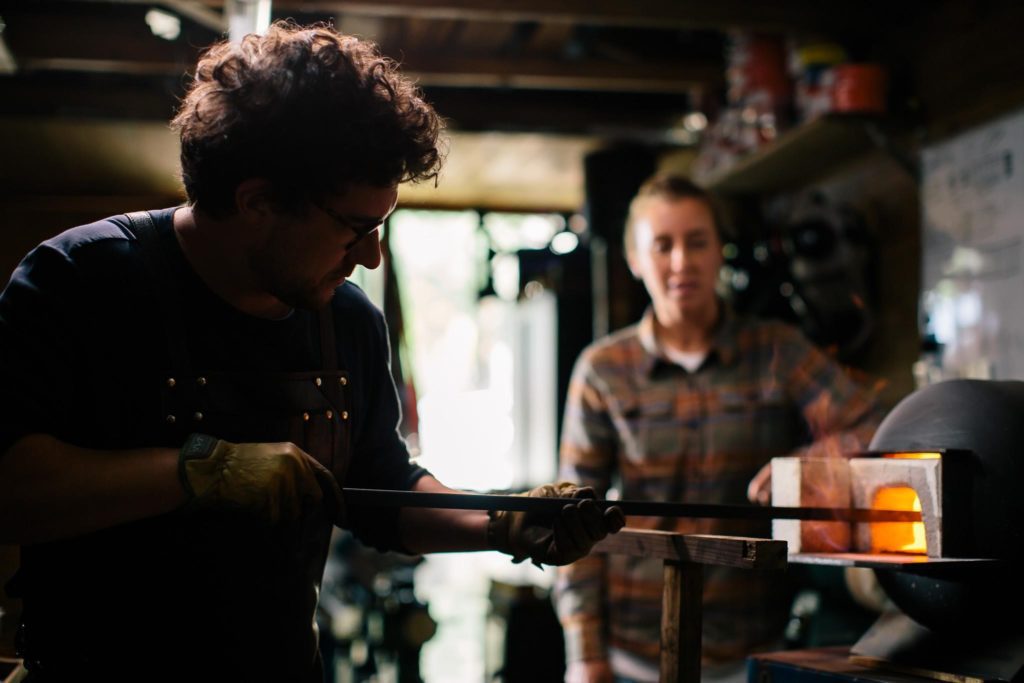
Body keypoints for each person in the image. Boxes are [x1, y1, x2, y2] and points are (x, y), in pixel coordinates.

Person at [0, 22, 624, 682]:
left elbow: (383, 487)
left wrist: (503, 522)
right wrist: (199, 472)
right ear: (258, 201)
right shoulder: (80, 280)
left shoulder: (346, 320)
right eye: (356, 230)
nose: (371, 257)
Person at [554, 174, 884, 683]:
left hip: (752, 650)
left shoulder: (776, 349)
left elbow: (876, 421)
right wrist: (584, 655)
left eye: (697, 241)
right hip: (630, 653)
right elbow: (571, 519)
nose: (682, 261)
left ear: (720, 250)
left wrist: (817, 461)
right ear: (635, 259)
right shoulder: (603, 370)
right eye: (663, 245)